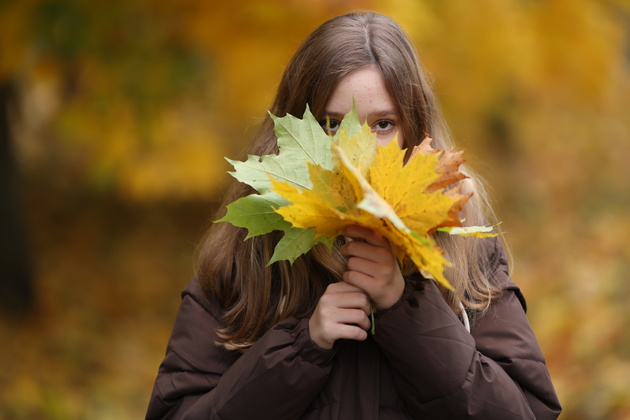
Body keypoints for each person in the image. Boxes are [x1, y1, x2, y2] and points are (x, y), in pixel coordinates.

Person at [146, 11, 561, 420]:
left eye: (382, 124)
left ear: (414, 132)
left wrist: (407, 309)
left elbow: (526, 412)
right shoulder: (245, 257)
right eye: (331, 124)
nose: (354, 150)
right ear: (294, 133)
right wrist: (300, 347)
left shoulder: (464, 254)